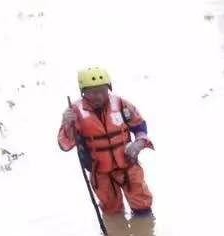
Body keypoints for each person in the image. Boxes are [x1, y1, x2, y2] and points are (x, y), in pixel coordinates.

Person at [59, 67, 155, 217]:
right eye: (92, 92)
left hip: (128, 166)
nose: (98, 96)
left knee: (143, 208)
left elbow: (139, 125)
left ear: (108, 88)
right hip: (100, 172)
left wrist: (139, 142)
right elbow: (65, 144)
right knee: (112, 213)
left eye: (102, 91)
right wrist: (66, 123)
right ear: (83, 92)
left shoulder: (121, 104)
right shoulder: (75, 112)